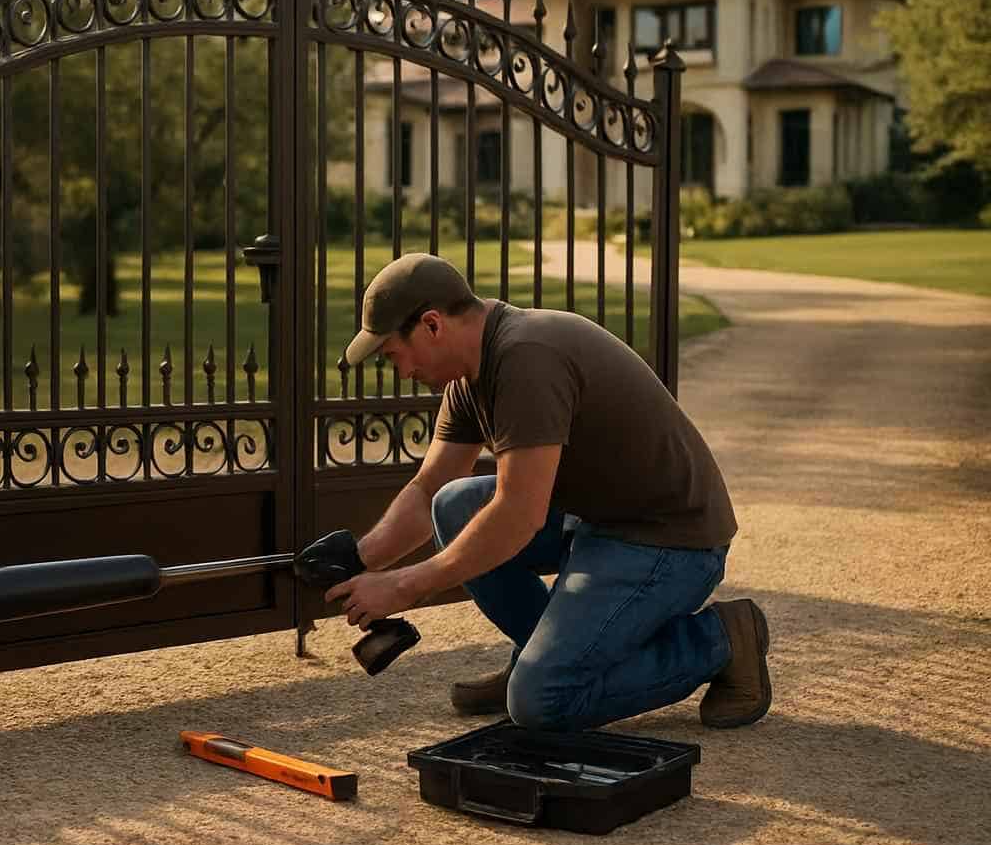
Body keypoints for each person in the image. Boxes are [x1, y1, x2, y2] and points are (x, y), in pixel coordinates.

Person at [325, 252, 770, 731]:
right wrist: (359, 559)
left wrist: (403, 586)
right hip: (598, 521)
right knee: (452, 504)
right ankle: (544, 652)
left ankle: (721, 639)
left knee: (542, 701)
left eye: (393, 353)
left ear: (432, 324)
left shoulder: (526, 358)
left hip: (668, 541)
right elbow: (430, 485)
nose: (399, 368)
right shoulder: (469, 375)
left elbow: (519, 514)